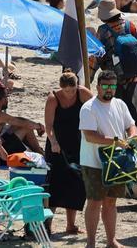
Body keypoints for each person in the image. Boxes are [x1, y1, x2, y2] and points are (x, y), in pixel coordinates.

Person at [80, 70, 137, 248]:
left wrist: (132, 136)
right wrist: (116, 141)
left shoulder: (120, 104)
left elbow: (131, 125)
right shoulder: (89, 107)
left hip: (117, 161)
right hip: (94, 162)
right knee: (94, 202)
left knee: (111, 202)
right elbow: (90, 136)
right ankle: (91, 243)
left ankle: (111, 240)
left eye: (112, 86)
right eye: (105, 86)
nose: (109, 89)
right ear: (98, 87)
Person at [44, 70, 92, 234]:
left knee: (75, 183)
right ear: (61, 88)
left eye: (72, 90)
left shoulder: (82, 93)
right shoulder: (53, 98)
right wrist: (54, 142)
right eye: (66, 91)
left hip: (77, 143)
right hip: (57, 145)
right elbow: (48, 126)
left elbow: (96, 108)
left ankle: (71, 225)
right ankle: (47, 224)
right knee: (54, 185)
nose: (70, 94)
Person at [0, 85, 45, 155]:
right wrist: (39, 126)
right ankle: (39, 152)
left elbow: (19, 120)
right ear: (2, 99)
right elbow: (24, 123)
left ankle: (37, 150)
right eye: (6, 97)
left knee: (17, 125)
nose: (7, 100)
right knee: (26, 128)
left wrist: (37, 125)